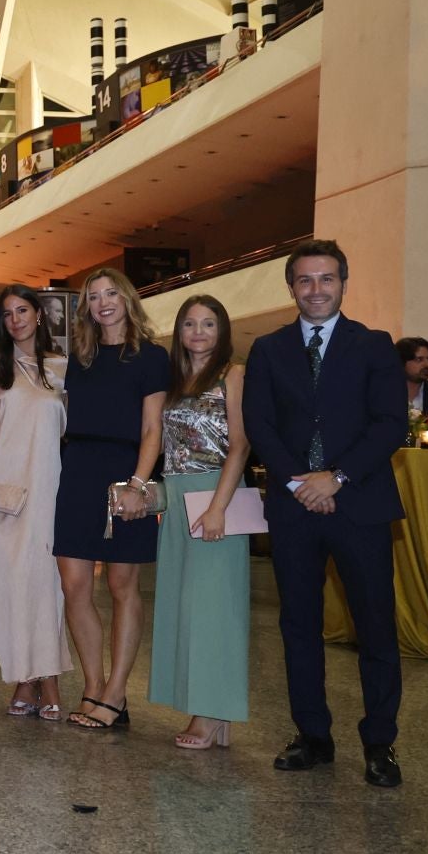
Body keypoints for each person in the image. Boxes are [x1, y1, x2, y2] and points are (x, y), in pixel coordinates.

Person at [242, 239, 406, 789]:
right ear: (292, 287)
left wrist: (334, 477)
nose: (316, 289)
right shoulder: (268, 349)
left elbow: (389, 424)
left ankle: (380, 742)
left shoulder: (375, 345)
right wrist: (298, 481)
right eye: (306, 280)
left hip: (357, 503)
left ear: (343, 282)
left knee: (376, 626)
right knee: (298, 626)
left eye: (327, 279)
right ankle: (312, 735)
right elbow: (260, 424)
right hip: (294, 509)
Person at [53, 267, 168, 731]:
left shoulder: (152, 357)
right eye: (94, 296)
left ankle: (117, 695)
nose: (103, 303)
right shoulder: (76, 358)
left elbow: (152, 428)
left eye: (111, 294)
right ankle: (94, 685)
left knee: (123, 587)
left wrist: (138, 485)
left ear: (127, 299)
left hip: (127, 474)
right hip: (78, 472)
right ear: (86, 306)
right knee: (74, 586)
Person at [148, 294, 252, 750]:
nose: (198, 332)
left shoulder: (234, 375)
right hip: (177, 495)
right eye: (190, 324)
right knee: (183, 605)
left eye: (208, 324)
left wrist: (218, 507)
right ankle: (214, 710)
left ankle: (209, 713)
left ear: (222, 330)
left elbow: (241, 445)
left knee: (213, 609)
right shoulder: (173, 380)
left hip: (217, 495)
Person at [0, 285, 71, 722]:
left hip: (50, 487)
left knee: (48, 582)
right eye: (7, 313)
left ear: (39, 315)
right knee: (11, 588)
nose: (16, 319)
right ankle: (22, 678)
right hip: (3, 493)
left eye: (23, 310)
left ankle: (47, 679)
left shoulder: (65, 368)